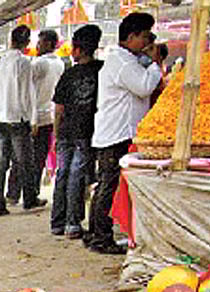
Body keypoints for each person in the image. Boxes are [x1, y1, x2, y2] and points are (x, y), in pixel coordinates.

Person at [88, 12, 160, 256]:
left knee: (106, 186)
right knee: (109, 186)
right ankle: (100, 237)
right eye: (144, 36)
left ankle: (96, 233)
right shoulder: (122, 62)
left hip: (115, 132)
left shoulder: (125, 59)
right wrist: (155, 63)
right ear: (131, 37)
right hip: (116, 134)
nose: (148, 42)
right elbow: (144, 86)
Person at [50, 24, 102, 239]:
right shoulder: (102, 71)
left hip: (66, 133)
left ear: (78, 50)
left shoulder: (68, 74)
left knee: (63, 174)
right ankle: (73, 223)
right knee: (76, 176)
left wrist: (56, 133)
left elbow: (59, 109)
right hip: (86, 132)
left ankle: (58, 222)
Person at [0, 24, 39, 215]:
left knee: (0, 165)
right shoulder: (23, 63)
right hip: (17, 118)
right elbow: (28, 93)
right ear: (26, 43)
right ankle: (29, 198)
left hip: (0, 118)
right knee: (25, 162)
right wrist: (32, 118)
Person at [31, 29, 64, 194]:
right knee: (41, 155)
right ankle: (34, 190)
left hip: (36, 116)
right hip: (51, 116)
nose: (37, 46)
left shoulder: (39, 64)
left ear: (49, 44)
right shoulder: (60, 63)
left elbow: (28, 90)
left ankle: (26, 191)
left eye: (40, 42)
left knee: (30, 157)